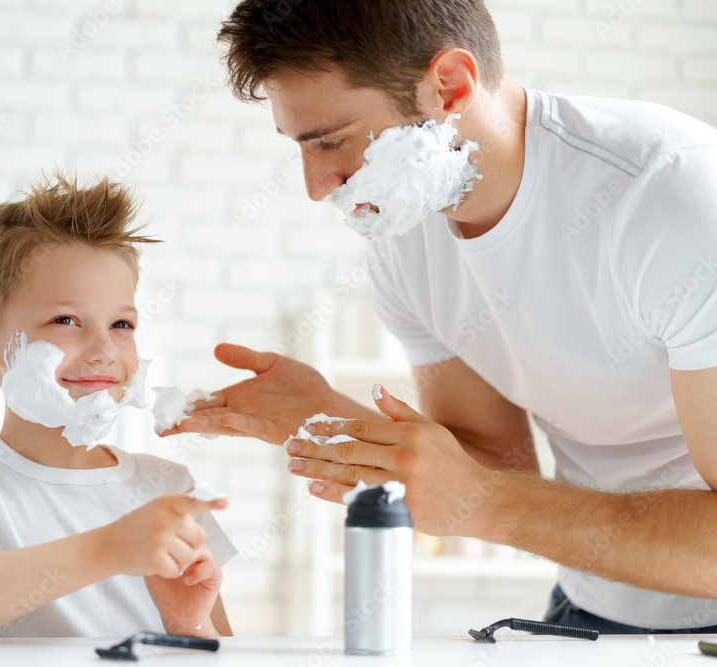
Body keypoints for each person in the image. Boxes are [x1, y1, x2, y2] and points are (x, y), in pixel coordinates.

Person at [168, 0, 717, 634]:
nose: (318, 186)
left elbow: (491, 497)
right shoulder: (405, 236)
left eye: (332, 141)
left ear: (450, 87)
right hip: (589, 610)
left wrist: (488, 505)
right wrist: (333, 419)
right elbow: (495, 466)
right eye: (302, 147)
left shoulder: (672, 200)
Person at [0, 173, 235, 641]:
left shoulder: (168, 488)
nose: (104, 349)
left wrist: (187, 624)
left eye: (121, 325)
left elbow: (220, 651)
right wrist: (108, 549)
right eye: (65, 320)